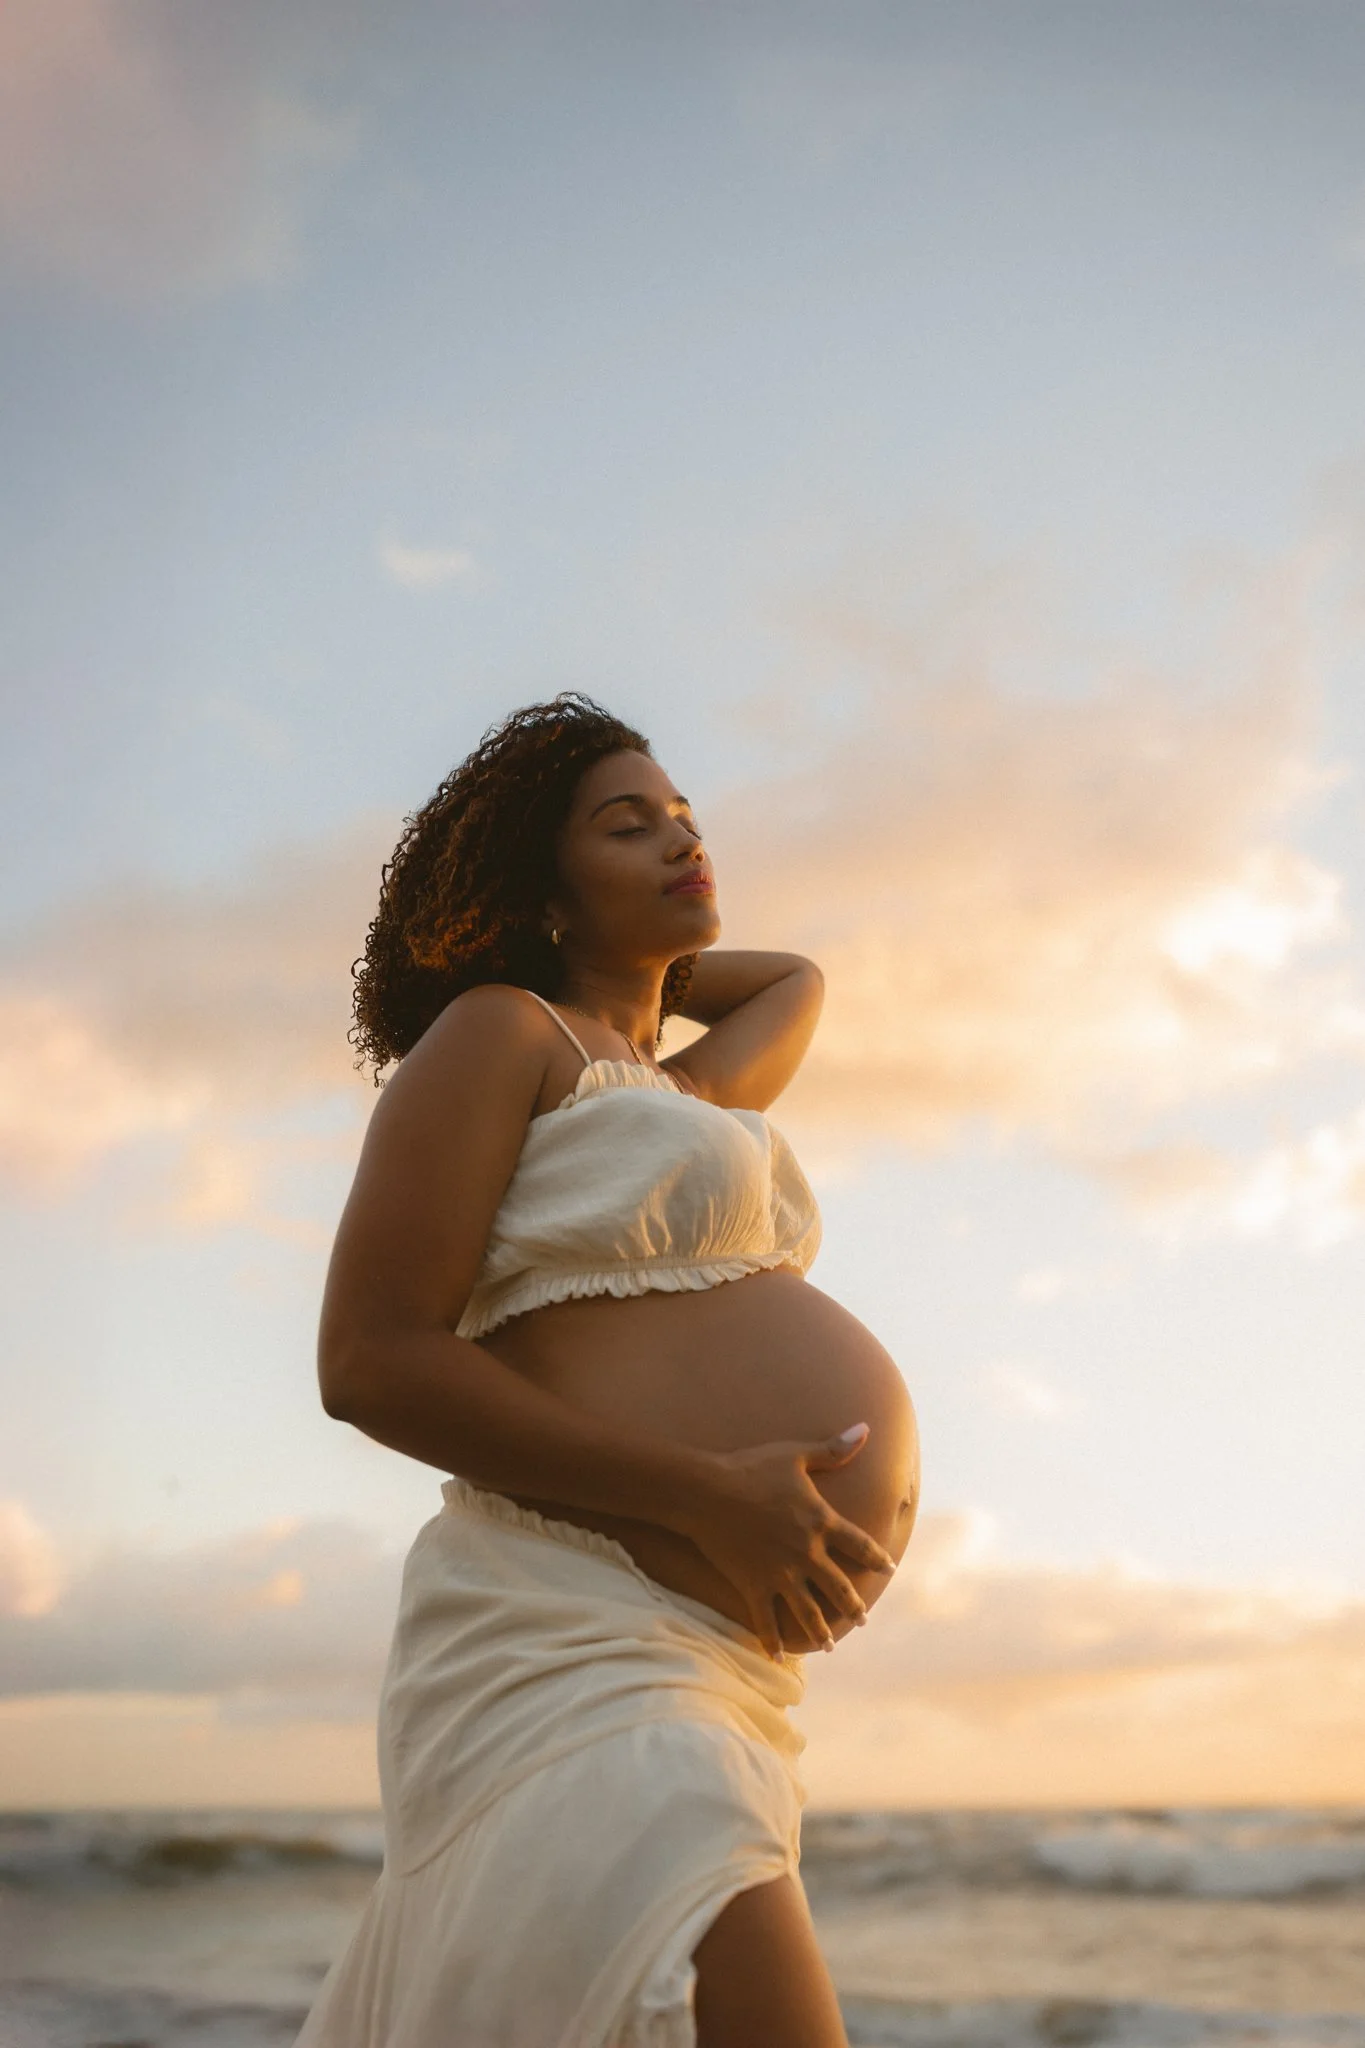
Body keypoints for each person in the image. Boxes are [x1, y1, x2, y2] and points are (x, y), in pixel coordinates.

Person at [295, 692, 921, 2048]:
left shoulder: (682, 1095)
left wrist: (646, 964)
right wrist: (703, 1493)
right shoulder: (505, 1034)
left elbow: (797, 981)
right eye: (627, 826)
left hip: (714, 1655)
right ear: (544, 890)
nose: (684, 842)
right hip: (568, 1616)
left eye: (688, 819)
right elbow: (370, 1358)